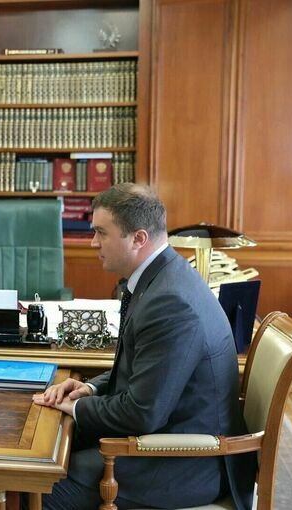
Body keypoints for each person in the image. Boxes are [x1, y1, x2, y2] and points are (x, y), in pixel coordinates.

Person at [32, 183, 255, 510]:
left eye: (101, 233)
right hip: (164, 436)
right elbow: (144, 369)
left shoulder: (170, 302)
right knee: (46, 452)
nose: (93, 242)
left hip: (185, 464)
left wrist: (76, 408)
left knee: (32, 487)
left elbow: (142, 413)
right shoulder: (161, 278)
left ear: (138, 238)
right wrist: (90, 389)